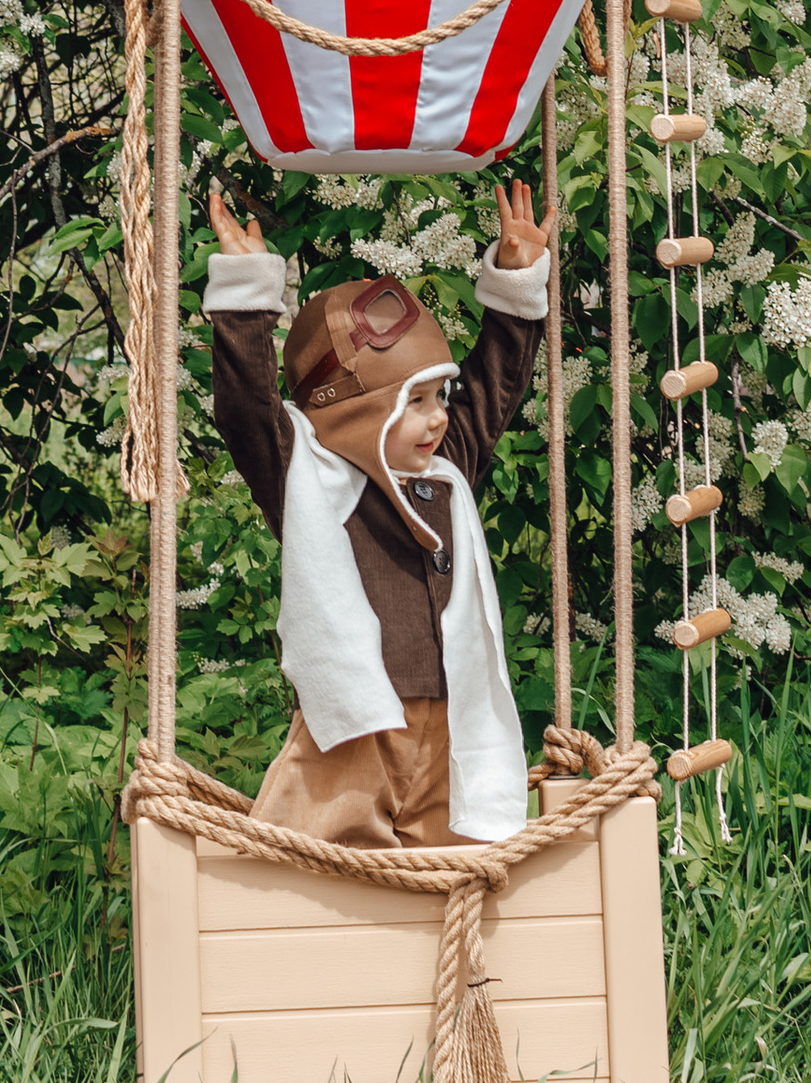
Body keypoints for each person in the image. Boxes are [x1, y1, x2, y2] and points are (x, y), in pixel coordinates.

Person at [200, 178, 556, 848]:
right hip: (352, 734)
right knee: (306, 871)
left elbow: (493, 385)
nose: (437, 418)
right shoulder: (311, 481)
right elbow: (246, 410)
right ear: (362, 411)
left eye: (437, 396)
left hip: (450, 728)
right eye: (413, 402)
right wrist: (248, 290)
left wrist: (516, 280)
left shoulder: (444, 470)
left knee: (456, 866)